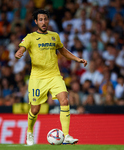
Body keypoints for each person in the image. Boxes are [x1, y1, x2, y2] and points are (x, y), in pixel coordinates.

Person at [15, 9, 87, 145]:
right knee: (35, 110)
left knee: (64, 100)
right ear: (36, 21)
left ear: (48, 21)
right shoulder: (30, 37)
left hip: (54, 76)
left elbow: (63, 50)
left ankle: (66, 136)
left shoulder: (54, 36)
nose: (43, 22)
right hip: (37, 78)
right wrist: (19, 52)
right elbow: (22, 48)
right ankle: (29, 131)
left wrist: (77, 59)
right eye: (40, 19)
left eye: (45, 19)